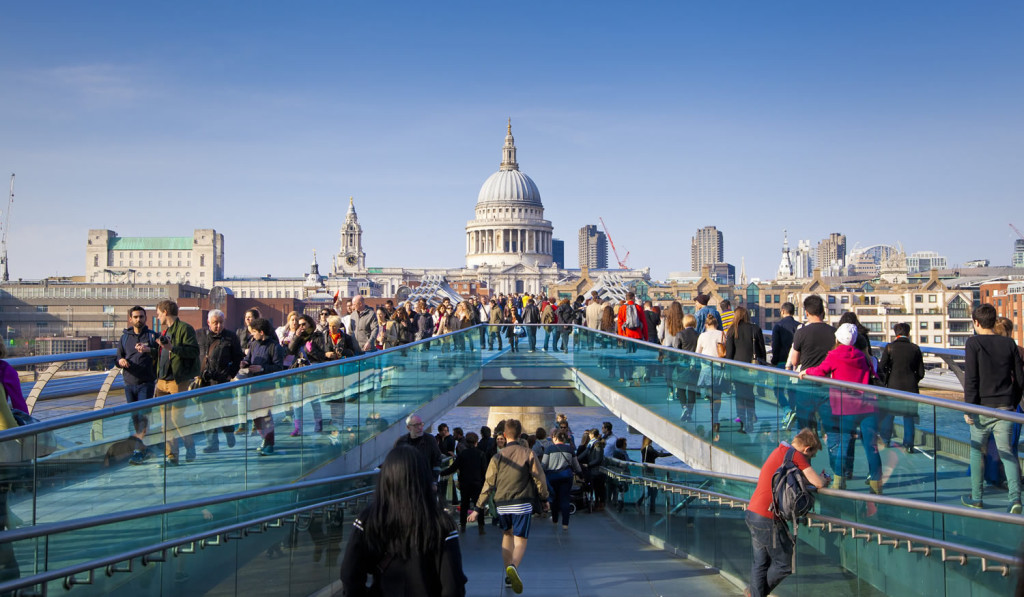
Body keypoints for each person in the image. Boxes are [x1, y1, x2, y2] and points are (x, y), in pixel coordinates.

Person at [339, 446, 467, 597]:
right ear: (423, 478)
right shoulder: (441, 523)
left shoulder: (368, 519)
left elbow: (349, 574)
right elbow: (453, 585)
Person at [467, 418, 549, 595]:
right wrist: (544, 498)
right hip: (522, 502)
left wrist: (477, 508)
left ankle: (507, 574)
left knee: (507, 534)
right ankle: (513, 566)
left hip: (502, 504)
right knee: (520, 540)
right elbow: (539, 478)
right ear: (520, 434)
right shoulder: (528, 453)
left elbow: (488, 483)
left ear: (504, 435)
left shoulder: (497, 456)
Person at [800, 323, 882, 493]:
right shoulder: (861, 356)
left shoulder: (835, 355)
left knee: (843, 444)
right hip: (867, 406)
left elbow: (821, 371)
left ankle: (839, 482)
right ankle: (876, 484)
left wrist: (806, 372)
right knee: (871, 447)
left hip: (845, 407)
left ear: (837, 338)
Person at [745, 428, 827, 597]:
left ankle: (754, 593)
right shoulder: (796, 455)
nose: (809, 460)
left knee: (761, 562)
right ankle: (754, 594)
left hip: (754, 512)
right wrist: (825, 478)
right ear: (806, 449)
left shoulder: (781, 451)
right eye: (811, 456)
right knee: (784, 564)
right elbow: (818, 483)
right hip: (768, 517)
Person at [961, 303, 1024, 512]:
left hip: (981, 408)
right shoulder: (1009, 344)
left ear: (976, 322)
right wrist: (1013, 402)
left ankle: (977, 498)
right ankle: (1015, 499)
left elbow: (971, 378)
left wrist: (969, 408)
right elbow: (1020, 380)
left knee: (977, 452)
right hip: (1005, 407)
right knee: (1007, 453)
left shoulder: (973, 344)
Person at [154, 300, 200, 467]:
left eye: (158, 313)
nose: (157, 316)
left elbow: (193, 351)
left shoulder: (185, 329)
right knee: (165, 421)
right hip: (162, 381)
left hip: (177, 381)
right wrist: (149, 349)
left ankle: (189, 445)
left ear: (165, 311)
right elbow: (163, 354)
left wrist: (172, 348)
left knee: (176, 418)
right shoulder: (164, 331)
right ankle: (171, 456)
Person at [785, 295, 835, 435]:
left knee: (805, 427)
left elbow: (795, 361)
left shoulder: (801, 332)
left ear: (806, 312)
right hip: (827, 381)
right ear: (822, 311)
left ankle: (806, 453)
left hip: (806, 380)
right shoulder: (833, 332)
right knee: (829, 424)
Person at [196, 309, 244, 453]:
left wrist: (230, 375)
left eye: (221, 322)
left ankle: (229, 432)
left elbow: (237, 358)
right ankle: (212, 443)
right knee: (206, 413)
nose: (218, 326)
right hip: (205, 381)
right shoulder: (199, 335)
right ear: (208, 322)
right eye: (215, 323)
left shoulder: (231, 337)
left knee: (225, 410)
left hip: (223, 380)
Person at [877, 322, 924, 453]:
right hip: (911, 388)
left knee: (889, 415)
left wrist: (887, 380)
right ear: (908, 333)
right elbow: (921, 372)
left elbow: (881, 368)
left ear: (895, 333)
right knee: (909, 417)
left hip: (892, 387)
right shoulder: (915, 348)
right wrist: (914, 380)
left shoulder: (889, 347)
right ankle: (908, 445)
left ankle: (886, 440)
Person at [243, 317, 286, 456]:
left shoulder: (275, 347)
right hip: (253, 384)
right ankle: (264, 439)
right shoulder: (254, 344)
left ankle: (269, 443)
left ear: (261, 332)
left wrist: (261, 368)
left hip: (267, 386)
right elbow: (248, 359)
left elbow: (278, 368)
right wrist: (244, 363)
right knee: (255, 415)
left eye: (254, 332)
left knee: (266, 415)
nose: (252, 334)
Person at [725, 306, 767, 433]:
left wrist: (728, 370)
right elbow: (762, 351)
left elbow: (729, 353)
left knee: (739, 395)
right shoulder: (755, 329)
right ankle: (751, 416)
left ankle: (742, 421)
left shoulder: (732, 330)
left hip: (737, 367)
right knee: (750, 393)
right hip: (752, 367)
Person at [441, 432, 488, 535]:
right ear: (476, 442)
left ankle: (463, 526)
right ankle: (481, 527)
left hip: (465, 483)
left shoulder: (462, 454)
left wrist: (441, 472)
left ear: (466, 442)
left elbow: (453, 468)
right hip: (477, 484)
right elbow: (484, 471)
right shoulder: (481, 454)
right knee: (478, 505)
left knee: (464, 505)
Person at [115, 306, 159, 411]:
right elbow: (117, 358)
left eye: (141, 317)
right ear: (130, 319)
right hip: (129, 384)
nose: (138, 319)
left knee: (143, 415)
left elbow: (161, 354)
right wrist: (121, 361)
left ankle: (144, 428)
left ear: (145, 318)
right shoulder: (125, 337)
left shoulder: (152, 336)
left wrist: (148, 349)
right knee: (133, 416)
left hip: (146, 383)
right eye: (135, 317)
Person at [541, 429, 582, 531]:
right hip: (566, 477)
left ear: (555, 438)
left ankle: (555, 520)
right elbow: (576, 465)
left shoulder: (549, 449)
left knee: (554, 499)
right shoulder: (570, 450)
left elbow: (543, 465)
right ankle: (565, 524)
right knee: (565, 499)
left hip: (552, 477)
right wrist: (580, 474)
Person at [770, 302, 800, 427]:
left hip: (782, 363)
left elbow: (775, 346)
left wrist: (774, 361)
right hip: (796, 364)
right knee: (792, 390)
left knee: (778, 389)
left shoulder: (778, 326)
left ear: (782, 311)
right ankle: (792, 413)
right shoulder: (799, 326)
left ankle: (787, 410)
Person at [696, 314, 726, 434]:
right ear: (717, 324)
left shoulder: (702, 335)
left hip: (706, 368)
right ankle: (716, 417)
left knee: (710, 395)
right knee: (717, 396)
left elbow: (697, 353)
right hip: (719, 368)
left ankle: (713, 417)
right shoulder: (722, 334)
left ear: (706, 325)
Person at [395, 414, 443, 479]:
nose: (420, 427)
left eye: (421, 424)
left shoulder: (430, 440)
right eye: (416, 425)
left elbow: (437, 460)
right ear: (408, 428)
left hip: (426, 482)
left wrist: (434, 481)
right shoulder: (401, 442)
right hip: (408, 483)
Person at [636, 436, 670, 513]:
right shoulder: (649, 448)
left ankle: (645, 505)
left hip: (645, 471)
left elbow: (655, 454)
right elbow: (659, 455)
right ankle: (649, 508)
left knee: (651, 490)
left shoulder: (644, 448)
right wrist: (672, 454)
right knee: (653, 490)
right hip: (650, 472)